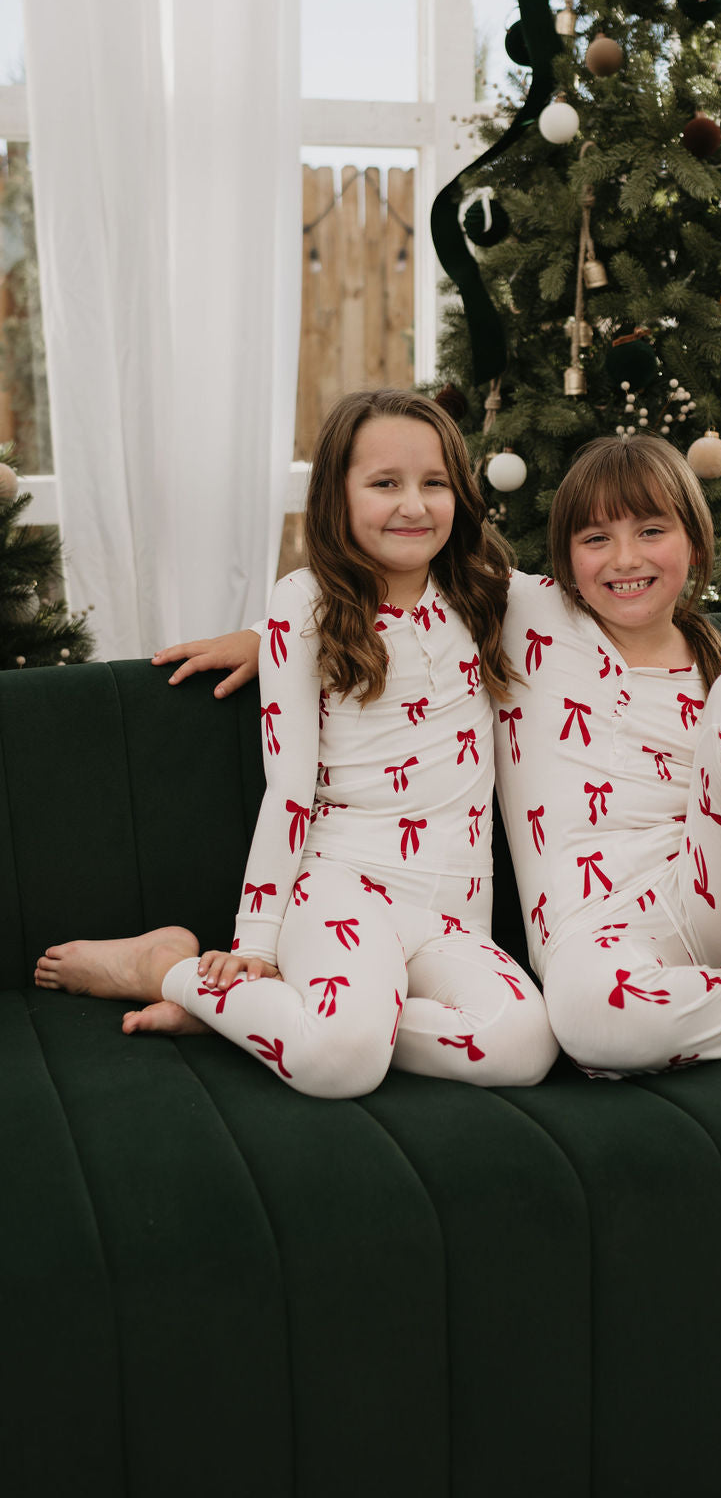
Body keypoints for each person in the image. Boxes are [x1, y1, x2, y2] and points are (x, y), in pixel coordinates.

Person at [133, 430, 721, 1092]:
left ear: (696, 547)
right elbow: (374, 593)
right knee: (586, 1025)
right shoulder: (525, 611)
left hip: (705, 896)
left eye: (653, 532)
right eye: (597, 538)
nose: (625, 559)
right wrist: (268, 641)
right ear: (562, 561)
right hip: (597, 937)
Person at [34, 390, 558, 1098]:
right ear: (336, 498)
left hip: (450, 911)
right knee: (339, 1062)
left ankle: (263, 1018)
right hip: (344, 886)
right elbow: (288, 790)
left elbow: (602, 592)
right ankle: (170, 969)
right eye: (384, 483)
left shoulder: (489, 593)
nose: (414, 504)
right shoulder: (305, 603)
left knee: (523, 1045)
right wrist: (256, 941)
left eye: (435, 482)